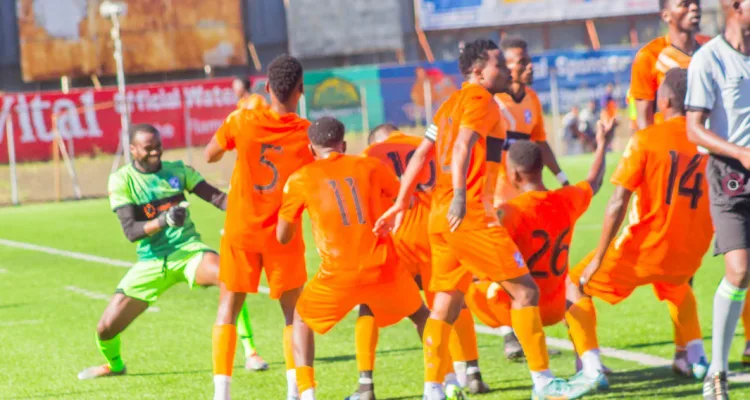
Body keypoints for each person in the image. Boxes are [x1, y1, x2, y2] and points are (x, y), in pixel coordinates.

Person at [375, 38, 589, 400]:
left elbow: (420, 155)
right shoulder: (479, 100)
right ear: (477, 71)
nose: (505, 71)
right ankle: (544, 383)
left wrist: (400, 202)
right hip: (469, 213)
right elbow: (461, 147)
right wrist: (461, 196)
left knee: (444, 305)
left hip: (440, 219)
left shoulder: (447, 106)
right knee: (526, 291)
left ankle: (433, 389)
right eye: (498, 65)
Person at [77, 124, 265, 379]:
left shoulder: (178, 170)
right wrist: (164, 220)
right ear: (132, 150)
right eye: (148, 148)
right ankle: (115, 365)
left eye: (158, 146)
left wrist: (252, 206)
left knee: (230, 276)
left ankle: (251, 352)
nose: (155, 152)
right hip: (151, 262)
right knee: (105, 329)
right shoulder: (122, 179)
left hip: (189, 251)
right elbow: (131, 231)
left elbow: (218, 199)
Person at [568, 68, 711, 392]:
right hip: (688, 254)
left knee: (575, 284)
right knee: (679, 289)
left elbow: (618, 202)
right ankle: (697, 357)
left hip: (644, 249)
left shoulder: (647, 139)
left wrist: (598, 257)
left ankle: (590, 367)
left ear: (666, 99)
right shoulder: (709, 141)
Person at [276, 117, 431, 400]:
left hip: (337, 274)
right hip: (382, 266)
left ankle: (307, 394)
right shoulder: (370, 165)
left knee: (300, 319)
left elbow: (282, 236)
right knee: (422, 316)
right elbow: (401, 200)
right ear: (344, 145)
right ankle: (436, 386)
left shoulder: (301, 178)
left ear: (311, 150)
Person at [465, 117, 614, 386]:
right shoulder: (566, 199)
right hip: (556, 306)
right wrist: (602, 144)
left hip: (514, 308)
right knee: (575, 286)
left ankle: (467, 372)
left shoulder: (509, 213)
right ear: (541, 167)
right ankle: (591, 365)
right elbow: (595, 180)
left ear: (514, 176)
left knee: (457, 283)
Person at [352, 123, 489, 399]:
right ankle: (470, 373)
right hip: (436, 234)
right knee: (452, 302)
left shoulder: (369, 154)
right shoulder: (426, 144)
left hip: (396, 240)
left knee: (369, 306)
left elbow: (363, 202)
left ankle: (366, 384)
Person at [205, 55, 312, 400]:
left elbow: (210, 155)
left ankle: (222, 395)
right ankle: (294, 393)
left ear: (266, 87)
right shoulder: (305, 134)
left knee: (229, 308)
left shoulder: (244, 120)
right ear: (301, 89)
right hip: (283, 233)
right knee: (292, 313)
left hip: (241, 230)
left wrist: (233, 116)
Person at [686, 1, 750, 397]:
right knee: (739, 271)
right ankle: (718, 373)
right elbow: (694, 129)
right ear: (735, 6)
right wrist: (741, 153)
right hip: (730, 173)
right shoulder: (709, 59)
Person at [493, 36, 569, 207]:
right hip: (498, 199)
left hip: (525, 195)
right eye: (522, 61)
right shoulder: (493, 101)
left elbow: (540, 142)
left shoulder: (532, 98)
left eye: (529, 60)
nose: (530, 66)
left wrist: (562, 179)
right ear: (506, 67)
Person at [630, 0, 707, 130]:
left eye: (696, 3)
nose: (694, 7)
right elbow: (644, 121)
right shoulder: (649, 56)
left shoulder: (711, 50)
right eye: (684, 4)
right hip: (670, 145)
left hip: (709, 143)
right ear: (666, 15)